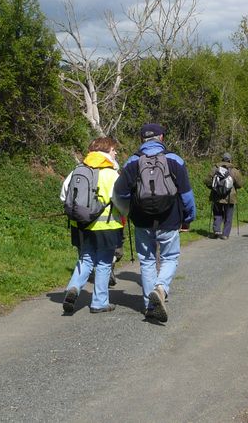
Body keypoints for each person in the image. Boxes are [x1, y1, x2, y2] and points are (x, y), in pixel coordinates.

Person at [112, 122, 196, 324]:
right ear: (161, 138)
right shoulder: (174, 160)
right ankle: (161, 289)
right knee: (169, 258)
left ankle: (150, 306)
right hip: (170, 219)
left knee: (148, 261)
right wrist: (188, 218)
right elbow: (186, 195)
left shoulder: (132, 162)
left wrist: (129, 210)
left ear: (142, 140)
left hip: (142, 221)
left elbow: (119, 193)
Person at [59, 136, 125, 314]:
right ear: (105, 151)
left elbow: (64, 196)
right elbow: (120, 201)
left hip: (82, 224)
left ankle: (73, 288)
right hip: (107, 226)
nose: (116, 152)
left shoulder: (78, 170)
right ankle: (99, 302)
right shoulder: (111, 174)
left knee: (86, 258)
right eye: (113, 149)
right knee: (103, 263)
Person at [204, 152, 244, 239]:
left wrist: (213, 188)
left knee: (217, 214)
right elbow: (240, 184)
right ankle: (225, 234)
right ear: (230, 160)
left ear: (222, 159)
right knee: (228, 216)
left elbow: (207, 181)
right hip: (230, 197)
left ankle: (217, 231)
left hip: (216, 195)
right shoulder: (234, 170)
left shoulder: (215, 168)